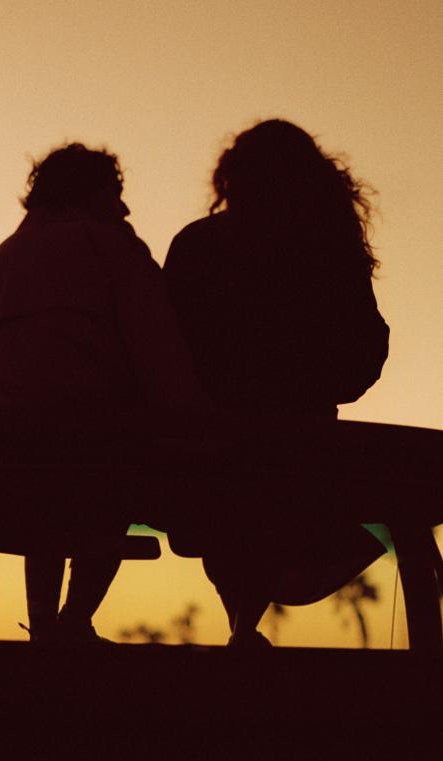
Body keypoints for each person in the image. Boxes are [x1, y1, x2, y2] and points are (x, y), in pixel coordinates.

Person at [0, 142, 202, 643]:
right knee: (109, 460)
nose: (124, 208)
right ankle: (73, 621)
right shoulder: (112, 249)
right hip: (99, 447)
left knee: (44, 482)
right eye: (114, 193)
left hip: (5, 454)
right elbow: (160, 353)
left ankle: (45, 627)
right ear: (87, 194)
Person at [164, 119, 390, 647]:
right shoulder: (326, 248)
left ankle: (243, 628)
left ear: (231, 177)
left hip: (210, 439)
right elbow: (364, 347)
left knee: (234, 502)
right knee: (270, 498)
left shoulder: (199, 243)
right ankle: (245, 627)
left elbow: (166, 343)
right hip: (296, 438)